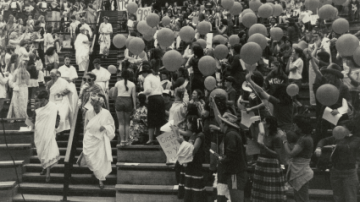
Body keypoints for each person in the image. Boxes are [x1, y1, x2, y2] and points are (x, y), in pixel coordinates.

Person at [315, 120, 360, 202]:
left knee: (350, 198)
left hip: (349, 172)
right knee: (338, 197)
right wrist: (319, 147)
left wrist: (336, 145)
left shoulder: (356, 139)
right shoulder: (336, 137)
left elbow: (349, 147)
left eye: (343, 128)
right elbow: (323, 140)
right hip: (335, 170)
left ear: (349, 129)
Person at [77, 94, 115, 189]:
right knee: (90, 158)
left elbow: (112, 125)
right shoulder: (89, 112)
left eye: (97, 106)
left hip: (100, 138)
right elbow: (85, 126)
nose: (95, 108)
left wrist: (105, 127)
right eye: (94, 106)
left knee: (100, 159)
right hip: (90, 137)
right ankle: (96, 172)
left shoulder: (106, 113)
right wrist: (84, 138)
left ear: (101, 105)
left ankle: (101, 180)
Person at [209, 112, 248, 202]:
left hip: (235, 173)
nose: (220, 126)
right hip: (237, 172)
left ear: (224, 124)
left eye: (221, 124)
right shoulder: (233, 133)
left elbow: (231, 156)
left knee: (236, 199)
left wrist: (222, 159)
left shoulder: (230, 135)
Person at [249, 116, 287, 202]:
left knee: (270, 190)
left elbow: (277, 154)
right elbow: (254, 138)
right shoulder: (263, 133)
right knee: (261, 189)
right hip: (261, 163)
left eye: (264, 122)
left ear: (269, 125)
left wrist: (264, 147)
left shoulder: (277, 137)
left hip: (271, 164)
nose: (262, 123)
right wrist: (251, 126)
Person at [282, 115, 314, 202]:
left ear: (300, 127)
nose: (294, 126)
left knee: (302, 198)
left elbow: (290, 153)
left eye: (295, 125)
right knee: (299, 197)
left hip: (301, 171)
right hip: (299, 168)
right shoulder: (306, 137)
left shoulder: (304, 139)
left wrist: (284, 140)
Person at [174, 115, 206, 202]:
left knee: (195, 187)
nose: (187, 124)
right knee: (188, 187)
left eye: (188, 122)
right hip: (190, 164)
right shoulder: (193, 134)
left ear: (193, 124)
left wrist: (182, 141)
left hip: (196, 163)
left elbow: (193, 149)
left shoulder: (200, 135)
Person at [33, 90, 60, 182]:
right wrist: (29, 124)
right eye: (39, 100)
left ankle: (47, 173)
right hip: (39, 132)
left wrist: (54, 126)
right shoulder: (37, 106)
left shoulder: (53, 106)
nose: (40, 102)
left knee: (48, 150)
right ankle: (44, 166)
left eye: (41, 100)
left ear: (45, 99)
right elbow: (33, 118)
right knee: (40, 151)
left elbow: (57, 118)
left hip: (49, 131)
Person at [139, 63, 165, 145]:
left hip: (153, 99)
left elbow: (148, 90)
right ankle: (158, 137)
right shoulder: (156, 77)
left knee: (151, 119)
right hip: (160, 98)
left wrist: (141, 93)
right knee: (159, 119)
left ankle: (150, 139)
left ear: (145, 72)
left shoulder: (147, 79)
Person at [114, 69, 136, 146]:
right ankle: (126, 140)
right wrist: (135, 106)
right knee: (127, 123)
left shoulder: (117, 83)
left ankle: (122, 141)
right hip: (128, 101)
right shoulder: (132, 84)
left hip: (119, 100)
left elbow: (114, 94)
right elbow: (133, 96)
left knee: (121, 123)